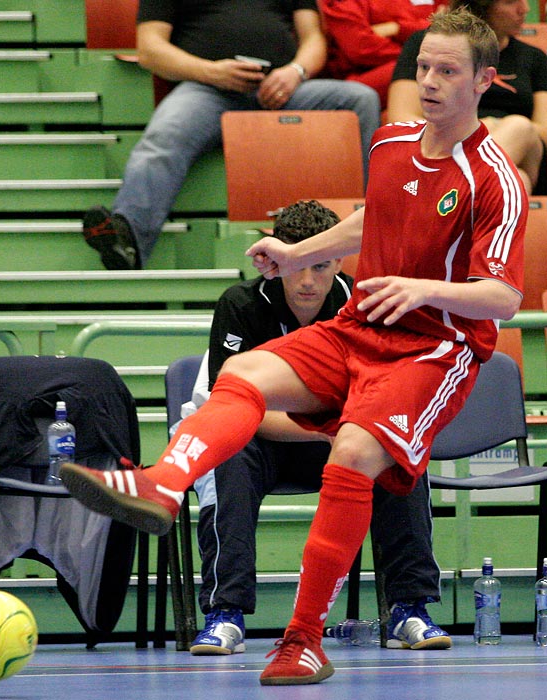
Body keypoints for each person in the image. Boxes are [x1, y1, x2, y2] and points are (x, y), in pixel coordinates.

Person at [61, 9, 527, 685]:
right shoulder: (392, 142)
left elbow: (504, 297)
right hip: (359, 329)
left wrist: (422, 289)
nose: (427, 80)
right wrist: (293, 253)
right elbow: (369, 222)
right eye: (423, 65)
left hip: (432, 352)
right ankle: (163, 485)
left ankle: (302, 640)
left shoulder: (495, 178)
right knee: (244, 372)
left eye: (446, 71)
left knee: (355, 452)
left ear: (484, 80)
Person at [186, 199, 449, 656]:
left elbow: (388, 398)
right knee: (228, 451)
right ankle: (224, 614)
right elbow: (236, 410)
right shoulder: (240, 305)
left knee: (394, 447)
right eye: (298, 266)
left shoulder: (369, 303)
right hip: (269, 439)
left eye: (320, 266)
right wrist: (324, 431)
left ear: (340, 261)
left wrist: (354, 434)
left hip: (343, 439)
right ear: (277, 261)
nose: (307, 281)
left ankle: (409, 608)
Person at [80, 0, 381, 271]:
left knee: (360, 100)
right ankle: (126, 238)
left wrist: (295, 72)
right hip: (206, 88)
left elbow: (314, 37)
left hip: (283, 88)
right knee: (163, 137)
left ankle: (375, 224)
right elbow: (149, 50)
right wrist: (212, 72)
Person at [387, 0, 547, 195]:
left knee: (519, 127)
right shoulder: (430, 46)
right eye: (510, 1)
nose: (524, 9)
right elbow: (400, 117)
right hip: (446, 140)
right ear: (482, 5)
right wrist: (468, 130)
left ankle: (447, 192)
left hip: (522, 148)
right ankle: (455, 193)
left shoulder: (534, 57)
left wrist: (487, 129)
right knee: (516, 181)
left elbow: (543, 130)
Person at [320, 0, 448, 107]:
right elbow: (361, 47)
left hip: (415, 66)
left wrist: (396, 28)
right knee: (428, 67)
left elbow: (449, 32)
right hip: (359, 79)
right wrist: (413, 49)